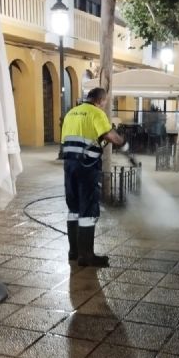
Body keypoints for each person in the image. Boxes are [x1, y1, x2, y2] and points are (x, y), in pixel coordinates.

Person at [61, 87, 125, 267]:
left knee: (73, 207)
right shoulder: (96, 113)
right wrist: (123, 143)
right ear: (101, 100)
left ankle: (73, 252)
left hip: (69, 165)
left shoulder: (71, 113)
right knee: (88, 208)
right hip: (86, 167)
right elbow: (109, 135)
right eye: (105, 102)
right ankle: (86, 255)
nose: (105, 105)